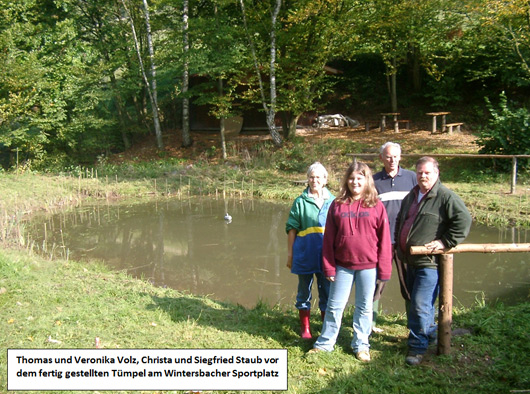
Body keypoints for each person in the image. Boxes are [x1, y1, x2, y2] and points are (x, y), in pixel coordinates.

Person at [310, 161, 392, 362]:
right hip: (342, 266)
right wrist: (328, 266)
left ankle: (361, 344)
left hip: (369, 266)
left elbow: (385, 240)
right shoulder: (337, 205)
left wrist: (384, 270)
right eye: (352, 178)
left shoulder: (376, 205)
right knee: (334, 305)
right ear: (346, 180)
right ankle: (325, 343)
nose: (355, 182)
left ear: (366, 180)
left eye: (359, 178)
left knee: (364, 307)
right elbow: (328, 239)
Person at [395, 156, 472, 365]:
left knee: (420, 304)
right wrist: (397, 243)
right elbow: (400, 220)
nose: (423, 176)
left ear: (436, 174)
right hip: (408, 260)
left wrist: (445, 241)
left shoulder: (445, 196)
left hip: (428, 262)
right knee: (417, 304)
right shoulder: (412, 195)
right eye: (419, 172)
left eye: (427, 172)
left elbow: (463, 220)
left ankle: (416, 348)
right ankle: (427, 334)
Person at [286, 162, 335, 339]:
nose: (315, 180)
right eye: (312, 177)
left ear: (325, 180)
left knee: (327, 292)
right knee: (304, 291)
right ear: (308, 179)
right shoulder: (300, 202)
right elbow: (291, 229)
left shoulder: (334, 201)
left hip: (327, 257)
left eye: (318, 177)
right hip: (305, 254)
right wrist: (290, 254)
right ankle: (305, 328)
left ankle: (326, 327)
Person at [372, 142, 417, 332]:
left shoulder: (412, 178)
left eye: (396, 156)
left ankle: (412, 322)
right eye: (388, 156)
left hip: (406, 241)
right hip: (381, 241)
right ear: (381, 158)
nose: (392, 160)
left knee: (409, 283)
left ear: (401, 157)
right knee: (377, 283)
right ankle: (371, 323)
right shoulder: (373, 180)